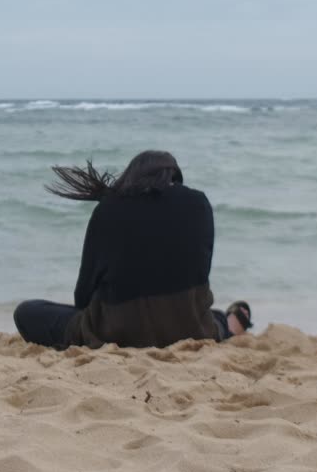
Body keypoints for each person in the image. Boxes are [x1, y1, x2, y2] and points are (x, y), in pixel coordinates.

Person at [13, 150, 252, 349]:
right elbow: (201, 274)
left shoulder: (108, 209)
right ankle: (236, 320)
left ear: (131, 176)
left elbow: (83, 294)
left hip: (118, 333)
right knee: (215, 318)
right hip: (189, 329)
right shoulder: (199, 203)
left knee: (27, 312)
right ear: (173, 176)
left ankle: (229, 319)